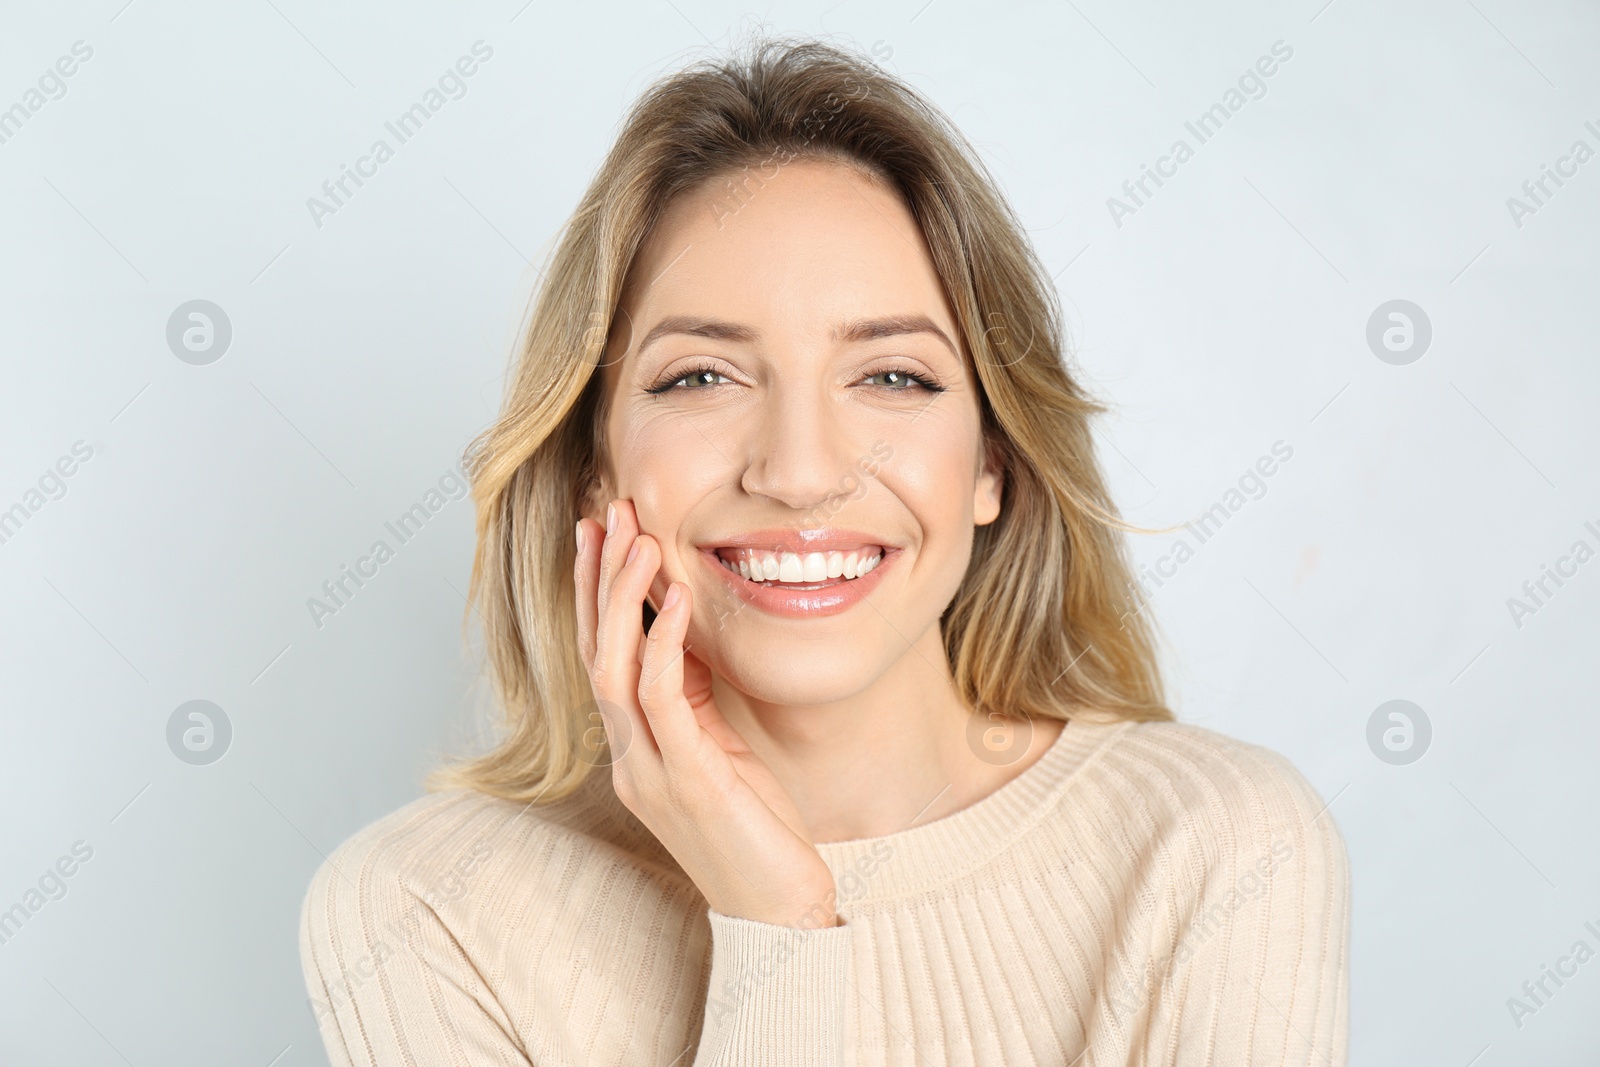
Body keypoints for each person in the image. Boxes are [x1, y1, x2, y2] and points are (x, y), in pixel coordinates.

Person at [299, 35, 1349, 1066]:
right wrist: (778, 929)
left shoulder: (1216, 846)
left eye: (892, 376)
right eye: (701, 377)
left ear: (993, 461)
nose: (800, 472)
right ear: (593, 468)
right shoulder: (423, 912)